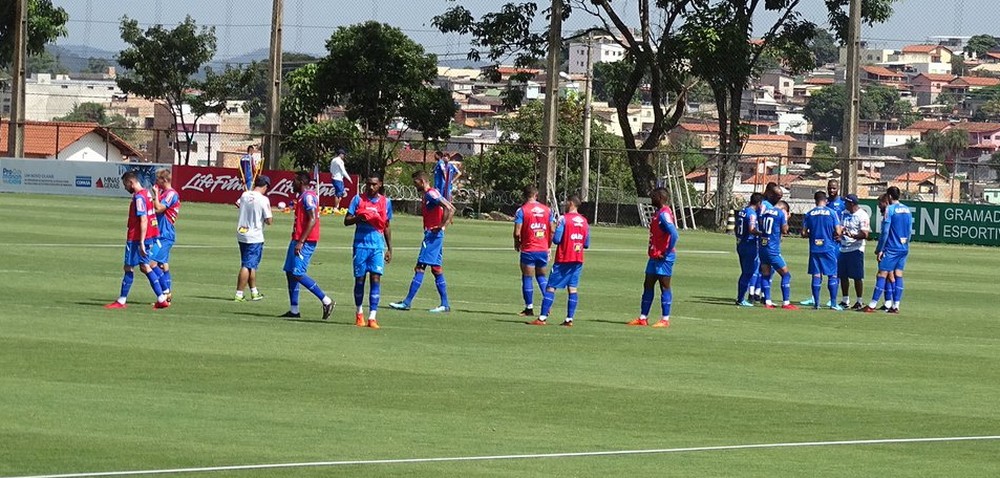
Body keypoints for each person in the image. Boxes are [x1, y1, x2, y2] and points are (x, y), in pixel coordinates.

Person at [390, 170, 456, 313]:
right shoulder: (430, 194)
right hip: (435, 235)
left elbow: (450, 208)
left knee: (420, 267)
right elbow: (449, 208)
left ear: (421, 181)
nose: (414, 186)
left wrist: (441, 226)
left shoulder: (431, 194)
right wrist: (443, 225)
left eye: (415, 183)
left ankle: (407, 302)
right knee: (436, 269)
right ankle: (445, 304)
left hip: (432, 236)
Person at [105, 171, 170, 310]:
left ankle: (122, 301)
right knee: (145, 266)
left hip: (137, 238)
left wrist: (140, 242)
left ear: (131, 182)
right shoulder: (147, 193)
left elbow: (143, 219)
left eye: (125, 185)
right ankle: (161, 298)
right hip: (150, 236)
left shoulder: (139, 197)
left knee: (129, 267)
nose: (125, 188)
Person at [281, 171, 335, 320]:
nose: (292, 184)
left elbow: (312, 220)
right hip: (297, 238)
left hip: (305, 241)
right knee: (290, 272)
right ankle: (294, 310)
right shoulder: (301, 197)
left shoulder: (308, 197)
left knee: (297, 273)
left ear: (300, 182)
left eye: (294, 181)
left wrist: (301, 242)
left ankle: (326, 300)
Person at [530, 195, 589, 326]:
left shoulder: (563, 219)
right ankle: (569, 319)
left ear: (571, 203)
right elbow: (586, 243)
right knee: (572, 288)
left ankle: (542, 318)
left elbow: (557, 239)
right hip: (578, 258)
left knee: (551, 287)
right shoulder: (585, 221)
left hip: (564, 258)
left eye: (566, 202)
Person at [344, 175, 393, 329]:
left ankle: (372, 317)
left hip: (377, 247)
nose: (371, 187)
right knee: (359, 280)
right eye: (368, 184)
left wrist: (390, 248)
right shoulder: (358, 200)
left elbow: (386, 225)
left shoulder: (386, 202)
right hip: (360, 246)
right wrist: (360, 218)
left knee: (376, 279)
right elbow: (346, 220)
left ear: (380, 185)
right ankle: (359, 314)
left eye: (374, 184)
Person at [627, 188, 677, 328]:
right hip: (654, 256)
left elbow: (674, 234)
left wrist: (666, 252)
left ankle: (665, 319)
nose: (651, 198)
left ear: (660, 197)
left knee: (664, 286)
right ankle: (643, 317)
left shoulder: (664, 215)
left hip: (664, 257)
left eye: (653, 196)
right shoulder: (658, 213)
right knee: (648, 284)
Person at [862, 187, 912, 314]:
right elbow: (910, 231)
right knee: (898, 274)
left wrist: (880, 249)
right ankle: (896, 306)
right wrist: (905, 244)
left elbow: (885, 231)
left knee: (881, 274)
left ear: (889, 196)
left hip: (891, 248)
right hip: (903, 247)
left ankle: (872, 305)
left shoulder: (890, 210)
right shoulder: (907, 209)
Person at [513, 185, 554, 317]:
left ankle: (529, 308)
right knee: (541, 276)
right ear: (536, 195)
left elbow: (517, 232)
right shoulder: (547, 210)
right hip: (542, 248)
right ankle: (547, 305)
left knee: (527, 277)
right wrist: (548, 246)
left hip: (529, 248)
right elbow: (552, 230)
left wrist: (517, 243)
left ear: (525, 196)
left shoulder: (522, 210)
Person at [801, 191, 844, 311]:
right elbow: (838, 231)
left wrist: (813, 234)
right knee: (832, 274)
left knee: (816, 274)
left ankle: (817, 304)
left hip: (815, 248)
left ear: (815, 201)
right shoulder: (831, 212)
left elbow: (803, 233)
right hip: (828, 247)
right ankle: (833, 303)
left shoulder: (809, 214)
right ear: (825, 200)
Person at [235, 175, 273, 302]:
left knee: (250, 264)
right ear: (265, 186)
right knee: (247, 265)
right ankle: (239, 294)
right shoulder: (263, 199)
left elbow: (237, 204)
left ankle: (254, 291)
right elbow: (269, 221)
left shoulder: (244, 195)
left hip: (241, 233)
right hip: (254, 236)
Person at [758, 200, 798, 310]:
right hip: (773, 249)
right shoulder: (780, 213)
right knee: (786, 275)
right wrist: (786, 218)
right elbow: (785, 230)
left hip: (762, 247)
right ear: (784, 209)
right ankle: (786, 302)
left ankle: (767, 301)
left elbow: (761, 225)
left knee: (765, 274)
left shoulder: (765, 212)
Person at [149, 169, 180, 302]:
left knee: (151, 264)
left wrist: (155, 194)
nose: (156, 182)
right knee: (163, 265)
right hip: (160, 233)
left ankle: (165, 292)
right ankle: (167, 293)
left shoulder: (171, 194)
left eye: (158, 180)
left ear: (165, 180)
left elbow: (160, 208)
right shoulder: (164, 193)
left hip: (164, 235)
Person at [838, 194, 870, 309]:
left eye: (846, 203)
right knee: (842, 275)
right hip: (843, 247)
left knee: (857, 276)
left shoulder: (862, 215)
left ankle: (859, 301)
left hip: (856, 248)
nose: (844, 205)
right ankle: (845, 300)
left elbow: (865, 234)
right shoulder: (844, 213)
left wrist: (854, 235)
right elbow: (841, 227)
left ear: (851, 203)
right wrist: (839, 234)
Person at [735, 193, 763, 307]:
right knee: (748, 272)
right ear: (759, 203)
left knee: (745, 272)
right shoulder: (752, 214)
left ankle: (741, 297)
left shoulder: (742, 211)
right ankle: (741, 299)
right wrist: (762, 233)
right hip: (749, 244)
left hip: (740, 243)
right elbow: (752, 229)